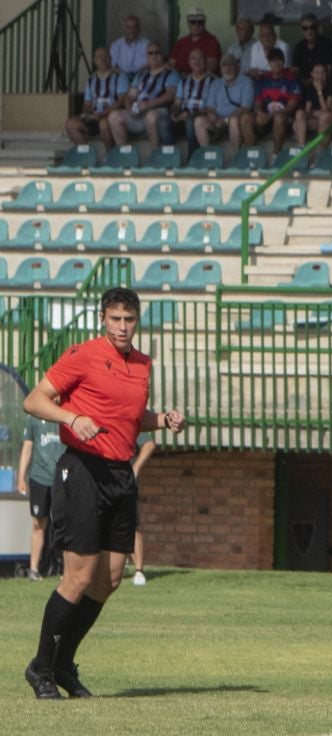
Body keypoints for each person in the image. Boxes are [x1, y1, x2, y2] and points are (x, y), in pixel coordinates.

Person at [22, 287, 187, 700]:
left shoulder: (143, 364)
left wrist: (162, 419)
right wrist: (71, 417)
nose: (122, 326)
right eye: (115, 318)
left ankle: (63, 663)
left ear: (138, 320)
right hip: (81, 470)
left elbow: (131, 417)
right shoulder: (83, 354)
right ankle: (41, 666)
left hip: (119, 473)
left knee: (110, 579)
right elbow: (34, 400)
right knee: (78, 577)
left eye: (129, 319)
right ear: (102, 319)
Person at [15, 406, 64, 580]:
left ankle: (66, 569)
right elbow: (27, 448)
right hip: (39, 478)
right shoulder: (34, 418)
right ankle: (33, 569)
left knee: (64, 523)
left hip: (62, 478)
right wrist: (21, 477)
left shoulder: (66, 415)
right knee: (38, 523)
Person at [110, 44, 180, 148]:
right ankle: (123, 154)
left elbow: (170, 95)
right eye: (150, 53)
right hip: (139, 113)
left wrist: (149, 104)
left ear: (163, 55)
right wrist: (129, 109)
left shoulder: (171, 73)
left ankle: (155, 155)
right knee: (114, 116)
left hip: (160, 111)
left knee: (151, 116)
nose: (154, 56)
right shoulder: (142, 73)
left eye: (157, 52)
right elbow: (130, 95)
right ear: (146, 56)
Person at [67, 48, 128, 151]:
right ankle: (87, 154)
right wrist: (90, 112)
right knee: (70, 124)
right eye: (99, 56)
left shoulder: (120, 76)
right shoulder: (91, 79)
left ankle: (111, 156)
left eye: (105, 56)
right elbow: (87, 104)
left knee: (103, 124)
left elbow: (121, 100)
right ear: (94, 61)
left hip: (110, 116)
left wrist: (106, 112)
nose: (103, 59)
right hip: (94, 116)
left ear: (111, 58)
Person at [197, 54, 256, 153]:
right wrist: (213, 116)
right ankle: (207, 155)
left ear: (237, 67)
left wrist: (225, 120)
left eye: (231, 65)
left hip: (235, 120)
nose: (228, 68)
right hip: (218, 121)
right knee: (198, 121)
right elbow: (210, 107)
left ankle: (236, 155)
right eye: (224, 65)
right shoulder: (216, 84)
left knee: (232, 120)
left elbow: (245, 108)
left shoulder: (246, 82)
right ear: (220, 68)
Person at [250, 49, 301, 150]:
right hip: (266, 117)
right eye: (273, 61)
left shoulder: (291, 79)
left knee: (279, 117)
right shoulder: (263, 79)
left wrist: (271, 115)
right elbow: (258, 102)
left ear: (283, 61)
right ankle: (252, 154)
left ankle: (275, 155)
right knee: (245, 118)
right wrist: (259, 113)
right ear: (268, 62)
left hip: (286, 119)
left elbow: (291, 107)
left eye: (279, 60)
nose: (276, 64)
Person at [128, 432, 156, 585]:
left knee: (132, 525)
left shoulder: (127, 415)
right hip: (98, 480)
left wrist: (136, 468)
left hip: (124, 480)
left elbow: (149, 443)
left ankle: (139, 571)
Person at [170, 48, 215, 143]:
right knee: (164, 122)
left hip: (200, 117)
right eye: (194, 58)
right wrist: (175, 113)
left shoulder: (213, 81)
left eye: (200, 58)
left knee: (190, 120)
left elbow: (211, 108)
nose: (197, 61)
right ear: (189, 62)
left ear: (206, 61)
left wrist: (191, 114)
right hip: (182, 118)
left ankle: (192, 154)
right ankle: (168, 155)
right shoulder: (183, 81)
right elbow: (177, 103)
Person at [290, 15, 332, 82]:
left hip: (324, 84)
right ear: (301, 29)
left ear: (317, 28)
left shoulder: (327, 44)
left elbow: (329, 71)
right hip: (303, 85)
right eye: (305, 28)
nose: (309, 31)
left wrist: (311, 81)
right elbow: (294, 70)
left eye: (312, 27)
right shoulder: (299, 46)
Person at [172, 8, 220, 75]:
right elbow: (171, 64)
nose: (196, 25)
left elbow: (211, 66)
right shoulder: (181, 41)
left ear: (204, 23)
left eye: (200, 22)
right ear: (188, 23)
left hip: (200, 80)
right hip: (178, 79)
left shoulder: (212, 41)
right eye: (193, 22)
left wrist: (190, 77)